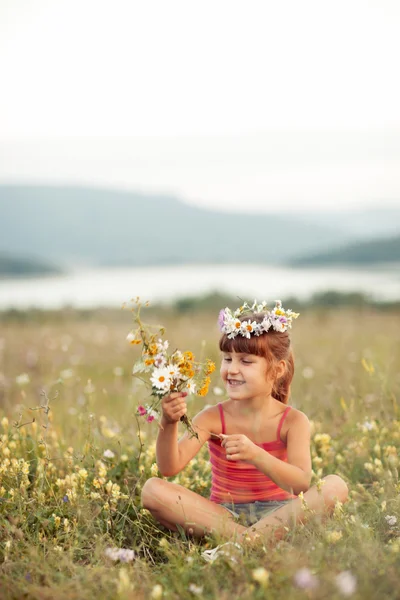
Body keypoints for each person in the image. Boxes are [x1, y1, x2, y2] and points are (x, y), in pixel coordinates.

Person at [141, 300, 348, 548]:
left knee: (336, 486)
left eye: (246, 361)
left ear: (277, 369)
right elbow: (169, 466)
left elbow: (300, 483)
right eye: (228, 359)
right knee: (152, 490)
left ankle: (244, 543)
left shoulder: (293, 421)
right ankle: (251, 540)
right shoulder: (213, 417)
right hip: (224, 517)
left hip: (280, 514)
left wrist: (256, 455)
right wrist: (169, 421)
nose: (232, 369)